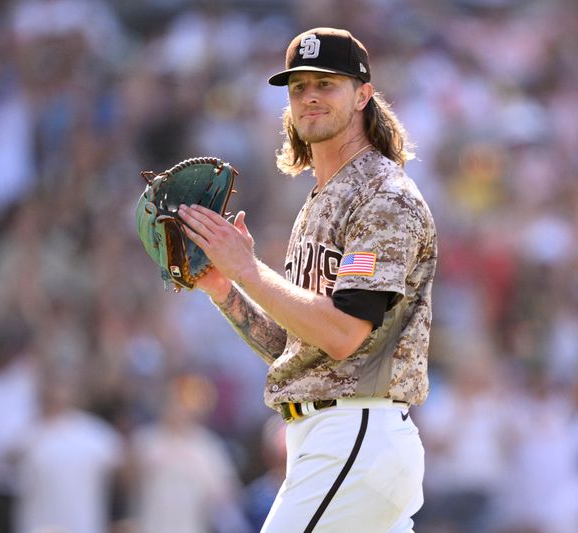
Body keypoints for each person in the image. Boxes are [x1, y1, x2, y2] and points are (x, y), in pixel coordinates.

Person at [178, 27, 437, 532]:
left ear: (363, 95)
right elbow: (303, 347)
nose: (310, 96)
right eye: (299, 87)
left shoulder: (383, 196)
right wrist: (225, 290)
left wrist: (247, 268)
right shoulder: (325, 198)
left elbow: (344, 335)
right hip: (339, 438)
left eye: (327, 83)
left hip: (355, 433)